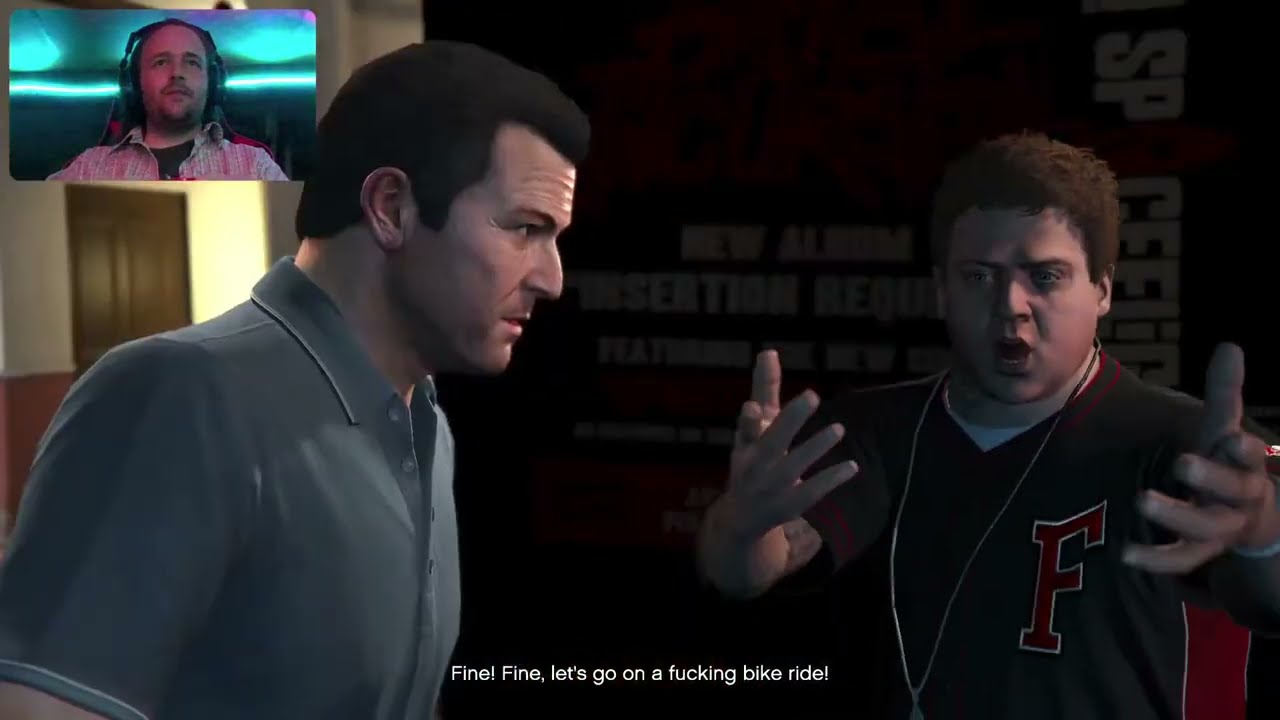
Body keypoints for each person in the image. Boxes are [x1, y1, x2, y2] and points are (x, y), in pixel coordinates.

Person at [0, 41, 588, 719]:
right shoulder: (178, 397)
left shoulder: (425, 423)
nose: (552, 279)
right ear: (391, 207)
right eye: (525, 229)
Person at [697, 132, 1280, 719]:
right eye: (979, 276)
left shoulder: (1189, 443)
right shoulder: (876, 429)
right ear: (942, 291)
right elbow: (746, 570)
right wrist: (739, 527)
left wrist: (1262, 534)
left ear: (1102, 289)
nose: (1010, 305)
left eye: (1045, 276)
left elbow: (1269, 593)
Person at [48, 18, 287, 181]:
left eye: (191, 62)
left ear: (212, 82)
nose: (177, 73)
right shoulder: (88, 168)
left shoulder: (256, 165)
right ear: (135, 82)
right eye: (161, 62)